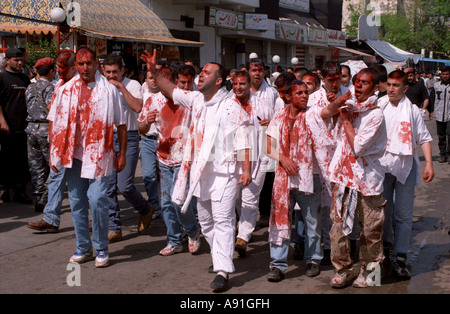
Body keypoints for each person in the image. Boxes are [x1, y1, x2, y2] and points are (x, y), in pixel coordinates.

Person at [141, 49, 252, 292]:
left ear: (219, 80)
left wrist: (246, 169)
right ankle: (218, 257)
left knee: (223, 221)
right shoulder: (197, 99)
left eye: (206, 73)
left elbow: (244, 139)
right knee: (206, 221)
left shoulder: (231, 106)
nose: (200, 75)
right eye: (201, 72)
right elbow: (170, 90)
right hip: (201, 172)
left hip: (225, 172)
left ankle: (223, 270)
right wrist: (154, 71)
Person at [47, 47, 127, 268]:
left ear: (96, 65)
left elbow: (121, 124)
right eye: (80, 64)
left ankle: (101, 246)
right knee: (76, 202)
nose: (85, 68)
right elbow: (53, 120)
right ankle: (84, 247)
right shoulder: (65, 89)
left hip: (100, 153)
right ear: (76, 66)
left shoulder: (109, 91)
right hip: (73, 154)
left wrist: (122, 155)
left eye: (89, 63)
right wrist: (53, 153)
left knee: (98, 199)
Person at [322, 68, 387, 288]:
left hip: (368, 181)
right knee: (338, 229)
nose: (358, 86)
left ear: (375, 87)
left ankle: (370, 274)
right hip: (344, 179)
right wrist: (336, 104)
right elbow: (323, 116)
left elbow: (358, 146)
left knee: (370, 231)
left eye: (365, 83)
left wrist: (346, 120)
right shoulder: (349, 105)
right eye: (356, 81)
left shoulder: (375, 114)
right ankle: (343, 270)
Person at [265, 80, 334, 281]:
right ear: (288, 96)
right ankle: (277, 265)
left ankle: (313, 260)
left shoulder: (313, 114)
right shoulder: (278, 117)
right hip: (283, 178)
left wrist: (338, 100)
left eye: (306, 92)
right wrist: (283, 159)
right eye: (299, 93)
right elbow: (268, 146)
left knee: (313, 222)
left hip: (309, 178)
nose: (305, 96)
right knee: (279, 221)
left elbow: (329, 111)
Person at [138, 65, 200, 256]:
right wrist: (147, 122)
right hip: (163, 158)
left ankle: (192, 231)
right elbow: (141, 129)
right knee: (165, 203)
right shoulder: (152, 101)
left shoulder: (188, 100)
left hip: (185, 160)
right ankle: (174, 240)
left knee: (178, 201)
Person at [379, 70, 434, 280]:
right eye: (389, 85)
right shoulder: (379, 106)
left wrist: (429, 164)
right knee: (383, 213)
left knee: (403, 215)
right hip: (382, 168)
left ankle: (400, 256)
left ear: (405, 88)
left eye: (396, 86)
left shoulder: (412, 111)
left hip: (406, 167)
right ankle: (386, 247)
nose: (391, 89)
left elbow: (424, 138)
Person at [103, 55, 154, 243]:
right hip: (108, 138)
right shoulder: (101, 85)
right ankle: (114, 227)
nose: (111, 76)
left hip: (130, 136)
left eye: (115, 72)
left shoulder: (132, 84)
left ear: (122, 70)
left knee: (124, 185)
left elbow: (138, 107)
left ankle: (145, 208)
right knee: (108, 186)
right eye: (107, 72)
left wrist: (120, 87)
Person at [27, 51, 77, 232]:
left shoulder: (81, 86)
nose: (57, 70)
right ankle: (51, 219)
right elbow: (53, 116)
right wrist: (53, 142)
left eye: (60, 67)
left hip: (78, 144)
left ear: (73, 67)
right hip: (58, 141)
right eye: (56, 67)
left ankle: (93, 218)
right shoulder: (58, 86)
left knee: (81, 185)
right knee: (55, 178)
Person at [306, 61, 351, 264]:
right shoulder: (313, 99)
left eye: (338, 79)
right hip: (320, 159)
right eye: (330, 80)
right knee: (325, 206)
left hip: (344, 157)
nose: (335, 84)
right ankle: (325, 246)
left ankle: (348, 245)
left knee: (346, 203)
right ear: (322, 78)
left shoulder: (350, 95)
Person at [231, 71, 273, 257]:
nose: (238, 87)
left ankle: (243, 238)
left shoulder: (262, 105)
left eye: (242, 84)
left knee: (250, 199)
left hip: (258, 159)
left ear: (249, 85)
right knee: (234, 198)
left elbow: (276, 128)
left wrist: (270, 124)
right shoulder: (227, 105)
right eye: (235, 84)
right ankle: (235, 229)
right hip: (232, 160)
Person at [247, 58, 279, 228]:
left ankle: (265, 212)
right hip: (247, 141)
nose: (257, 74)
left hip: (266, 140)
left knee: (267, 178)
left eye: (260, 70)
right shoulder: (240, 90)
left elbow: (279, 115)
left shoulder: (271, 92)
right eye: (253, 70)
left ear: (265, 72)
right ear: (248, 71)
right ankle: (244, 219)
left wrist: (271, 121)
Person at [0, 48, 32, 204]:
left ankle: (20, 191)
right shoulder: (1, 77)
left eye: (21, 60)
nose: (20, 63)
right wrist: (2, 121)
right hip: (6, 127)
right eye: (16, 60)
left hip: (23, 127)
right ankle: (4, 190)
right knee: (6, 160)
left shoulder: (25, 79)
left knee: (21, 161)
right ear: (7, 60)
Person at [24, 57, 55, 212]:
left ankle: (38, 194)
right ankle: (46, 196)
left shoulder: (29, 88)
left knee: (35, 165)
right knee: (53, 164)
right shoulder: (50, 88)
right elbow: (52, 109)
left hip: (31, 129)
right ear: (51, 71)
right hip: (45, 130)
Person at [140, 69, 162, 219]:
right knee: (149, 176)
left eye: (155, 78)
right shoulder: (142, 93)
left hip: (164, 141)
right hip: (147, 140)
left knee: (164, 177)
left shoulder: (168, 95)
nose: (153, 81)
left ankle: (165, 206)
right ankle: (154, 205)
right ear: (146, 80)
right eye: (150, 78)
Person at [429, 66, 450, 163]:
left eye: (447, 74)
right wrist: (431, 111)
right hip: (439, 114)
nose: (445, 76)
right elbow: (432, 99)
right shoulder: (436, 85)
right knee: (441, 136)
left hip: (449, 115)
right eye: (444, 74)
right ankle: (442, 154)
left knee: (449, 135)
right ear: (441, 74)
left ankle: (449, 154)